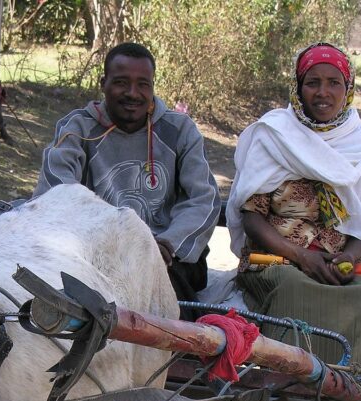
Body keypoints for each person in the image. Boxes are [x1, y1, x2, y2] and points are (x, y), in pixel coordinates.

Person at [224, 42, 361, 382]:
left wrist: (347, 260)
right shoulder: (274, 134)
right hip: (274, 261)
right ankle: (286, 391)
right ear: (298, 87)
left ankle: (350, 396)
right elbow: (252, 217)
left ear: (348, 90)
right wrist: (302, 257)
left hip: (334, 264)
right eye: (313, 82)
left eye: (334, 82)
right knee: (294, 286)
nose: (323, 92)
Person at [33, 42, 221, 317]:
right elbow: (56, 193)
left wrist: (165, 247)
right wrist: (105, 247)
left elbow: (203, 200)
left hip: (166, 258)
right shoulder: (77, 128)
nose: (133, 93)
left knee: (163, 313)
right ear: (104, 83)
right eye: (121, 82)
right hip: (96, 252)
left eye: (143, 84)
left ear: (152, 86)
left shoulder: (180, 130)